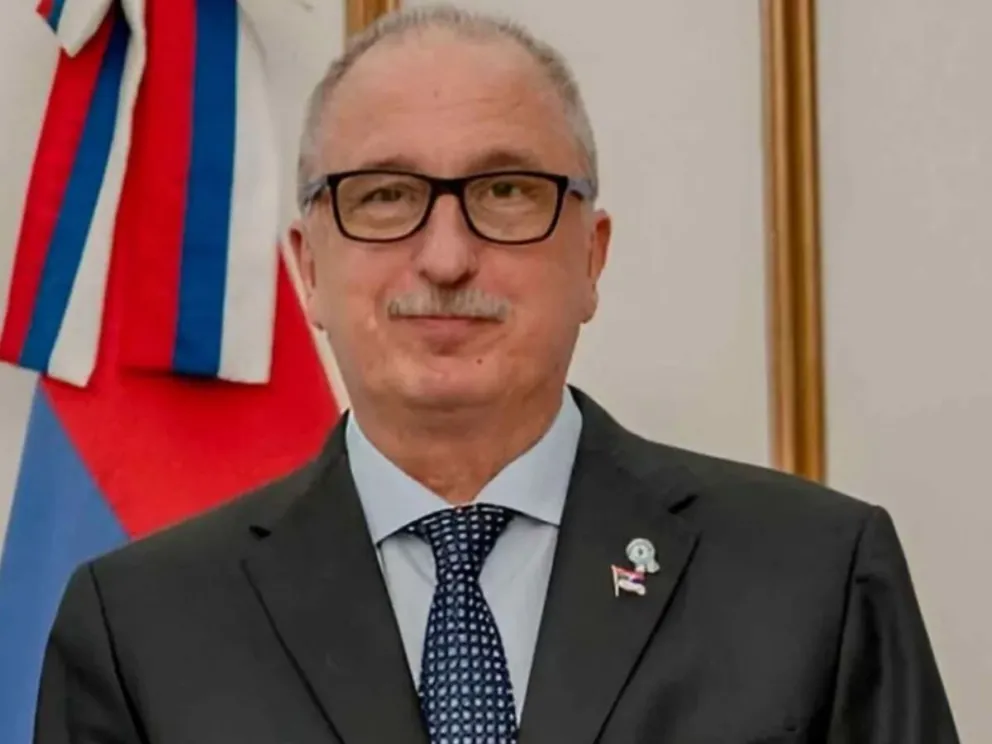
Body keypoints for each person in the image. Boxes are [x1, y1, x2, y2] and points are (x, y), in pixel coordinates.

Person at [34, 5, 958, 743]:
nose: (445, 258)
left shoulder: (817, 580)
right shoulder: (140, 628)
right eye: (385, 196)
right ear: (309, 268)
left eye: (505, 192)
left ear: (591, 256)